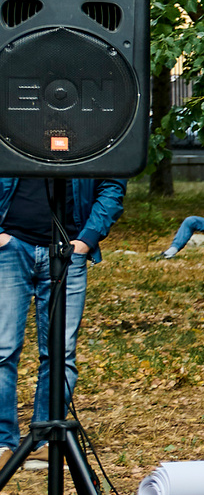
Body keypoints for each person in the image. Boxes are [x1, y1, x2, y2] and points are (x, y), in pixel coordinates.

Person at [0, 172, 123, 450]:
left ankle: (47, 444)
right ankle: (1, 444)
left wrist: (86, 240)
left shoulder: (89, 139)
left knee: (60, 355)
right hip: (9, 248)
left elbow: (112, 184)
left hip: (69, 250)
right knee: (2, 350)